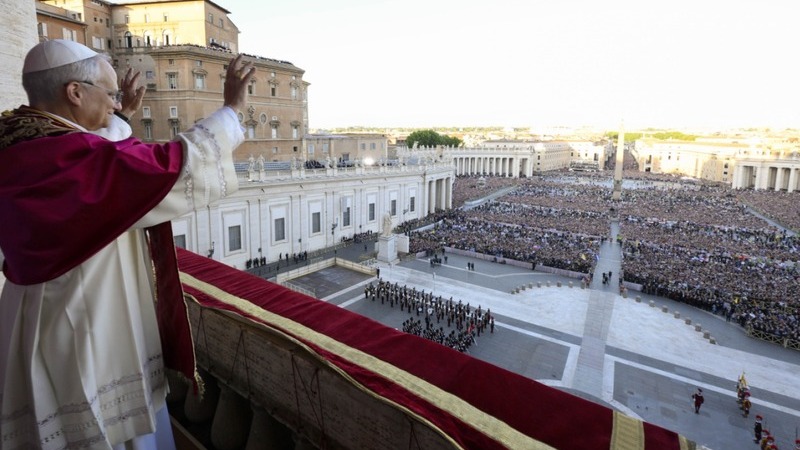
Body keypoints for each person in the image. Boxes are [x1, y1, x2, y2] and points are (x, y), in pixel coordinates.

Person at [0, 39, 255, 448]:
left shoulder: (21, 144)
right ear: (75, 92)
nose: (116, 105)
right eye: (111, 95)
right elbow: (170, 167)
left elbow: (101, 151)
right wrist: (231, 112)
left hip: (32, 313)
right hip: (85, 321)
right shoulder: (75, 158)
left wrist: (123, 119)